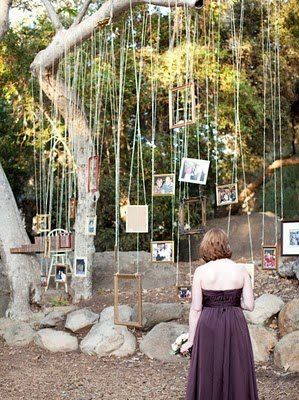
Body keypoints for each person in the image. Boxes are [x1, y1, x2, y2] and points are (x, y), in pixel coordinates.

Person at [181, 228, 259, 400]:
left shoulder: (201, 272)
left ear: (206, 246)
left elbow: (196, 308)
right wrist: (232, 302)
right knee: (237, 369)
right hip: (235, 322)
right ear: (226, 244)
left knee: (209, 370)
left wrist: (191, 340)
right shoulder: (241, 270)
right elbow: (250, 305)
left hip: (208, 323)